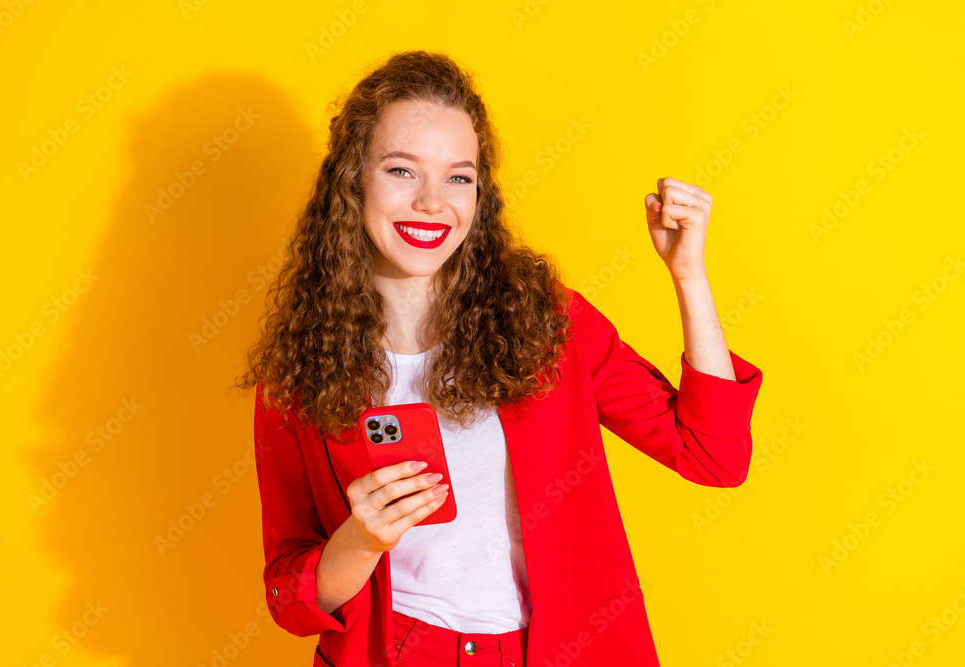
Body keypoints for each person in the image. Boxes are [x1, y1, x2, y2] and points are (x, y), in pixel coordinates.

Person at [233, 50, 764, 667]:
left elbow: (713, 454)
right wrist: (361, 539)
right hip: (398, 651)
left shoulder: (545, 322)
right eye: (403, 171)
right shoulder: (299, 370)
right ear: (353, 180)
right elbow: (289, 598)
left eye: (459, 176)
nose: (434, 202)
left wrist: (689, 276)